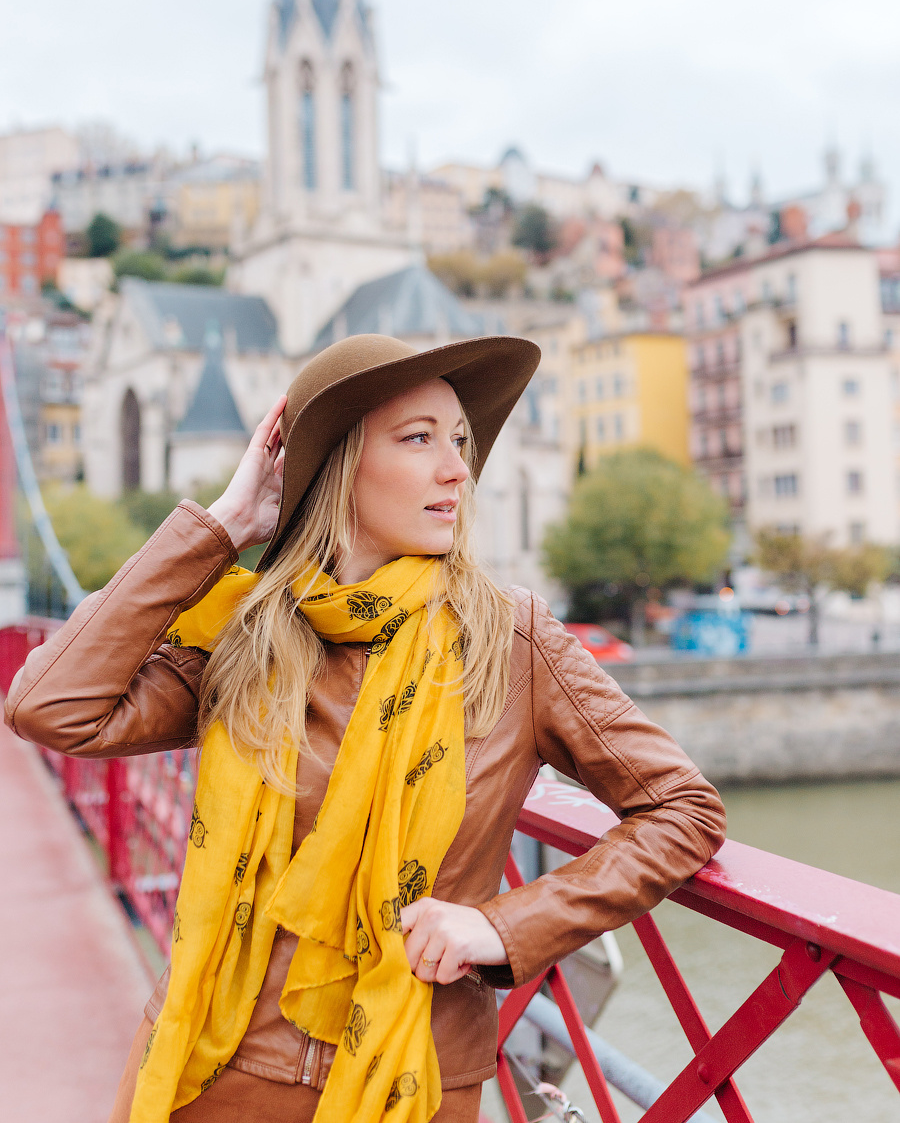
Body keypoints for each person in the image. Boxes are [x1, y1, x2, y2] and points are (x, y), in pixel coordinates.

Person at [5, 333, 726, 1123]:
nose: (457, 467)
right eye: (418, 439)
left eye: (458, 441)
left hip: (410, 1081)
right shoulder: (247, 637)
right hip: (212, 1067)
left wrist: (506, 924)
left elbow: (682, 811)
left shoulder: (509, 639)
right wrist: (219, 527)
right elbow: (51, 704)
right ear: (340, 467)